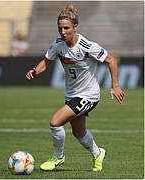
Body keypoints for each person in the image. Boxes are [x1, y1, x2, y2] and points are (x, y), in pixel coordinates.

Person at [26, 4, 124, 172]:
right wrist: (36, 70)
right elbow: (46, 62)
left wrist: (115, 86)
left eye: (66, 28)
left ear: (75, 27)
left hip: (89, 95)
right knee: (79, 132)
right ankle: (98, 154)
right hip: (72, 94)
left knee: (55, 123)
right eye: (60, 28)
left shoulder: (87, 46)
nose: (63, 32)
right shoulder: (58, 44)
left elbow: (111, 60)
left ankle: (58, 157)